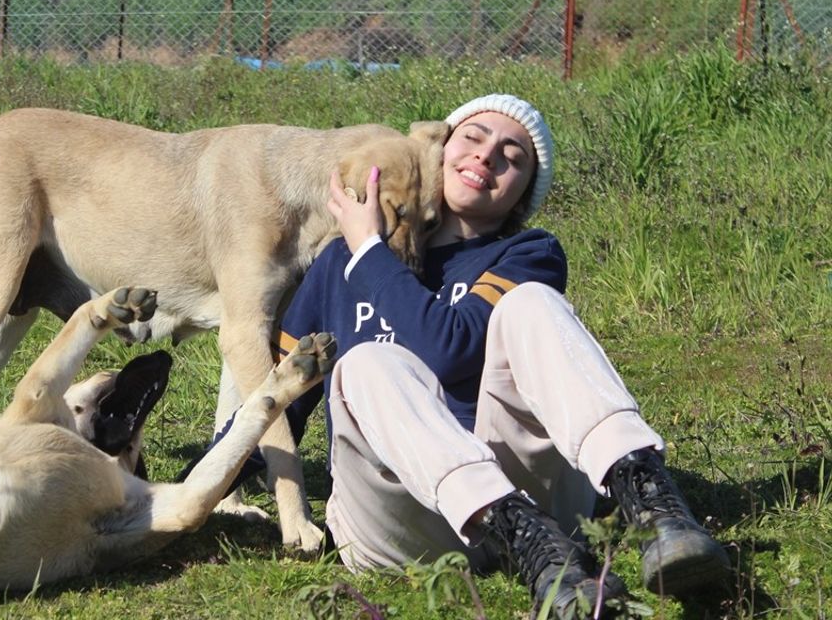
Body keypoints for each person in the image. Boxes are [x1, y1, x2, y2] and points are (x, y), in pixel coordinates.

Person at [260, 95, 729, 617]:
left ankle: (652, 504)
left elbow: (448, 349)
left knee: (532, 304)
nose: (487, 157)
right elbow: (279, 399)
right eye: (474, 137)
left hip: (536, 505)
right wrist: (192, 494)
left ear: (522, 195)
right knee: (367, 364)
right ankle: (524, 536)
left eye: (513, 156)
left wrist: (370, 251)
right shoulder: (339, 263)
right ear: (438, 152)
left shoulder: (527, 254)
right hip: (401, 524)